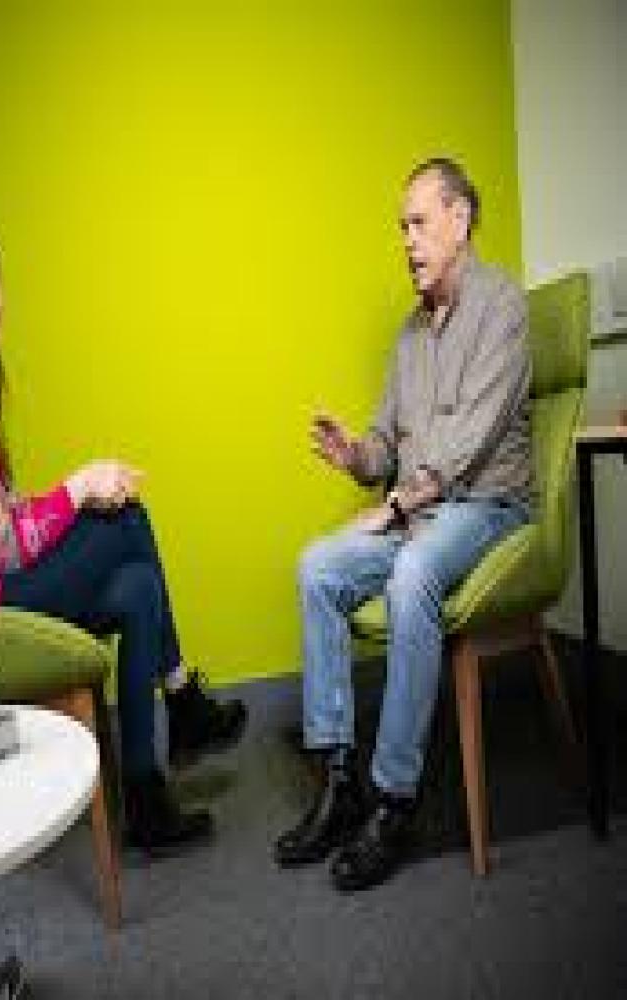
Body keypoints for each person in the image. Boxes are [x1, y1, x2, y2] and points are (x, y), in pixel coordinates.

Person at [0, 228, 247, 860]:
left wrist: (73, 495)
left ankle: (146, 794)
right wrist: (79, 488)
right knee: (127, 519)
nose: (3, 299)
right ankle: (182, 700)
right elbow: (4, 549)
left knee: (137, 587)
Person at [274, 158, 532, 891]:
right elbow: (389, 445)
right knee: (318, 567)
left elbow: (469, 443)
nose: (407, 241)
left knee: (414, 571)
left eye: (418, 223)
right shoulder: (409, 335)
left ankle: (394, 799)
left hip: (486, 508)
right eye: (401, 227)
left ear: (461, 219)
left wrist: (391, 508)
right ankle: (340, 779)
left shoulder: (503, 307)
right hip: (420, 513)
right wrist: (357, 454)